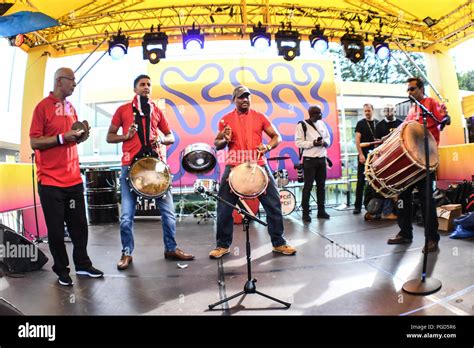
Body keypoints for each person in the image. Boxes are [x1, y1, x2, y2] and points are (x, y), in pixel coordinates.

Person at [106, 74, 194, 270]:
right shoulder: (122, 110)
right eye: (142, 84)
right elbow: (109, 137)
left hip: (156, 167)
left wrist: (161, 140)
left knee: (169, 214)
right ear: (135, 88)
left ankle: (171, 248)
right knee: (127, 216)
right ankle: (127, 253)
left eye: (149, 85)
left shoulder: (156, 110)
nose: (146, 87)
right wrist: (125, 136)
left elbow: (170, 136)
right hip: (130, 167)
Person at [29, 67, 103, 286]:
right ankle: (62, 270)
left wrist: (80, 136)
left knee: (79, 226)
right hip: (51, 182)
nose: (74, 84)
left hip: (73, 180)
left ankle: (82, 265)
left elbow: (71, 136)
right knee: (56, 230)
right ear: (60, 81)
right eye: (72, 80)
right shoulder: (42, 107)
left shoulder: (70, 107)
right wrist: (62, 138)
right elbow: (35, 142)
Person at [209, 85, 296, 259]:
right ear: (235, 100)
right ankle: (222, 245)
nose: (245, 100)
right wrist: (224, 139)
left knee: (273, 203)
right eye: (241, 97)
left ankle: (278, 242)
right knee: (224, 207)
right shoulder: (225, 120)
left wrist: (267, 146)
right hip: (234, 166)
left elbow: (276, 136)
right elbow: (217, 144)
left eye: (247, 96)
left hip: (258, 164)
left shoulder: (260, 117)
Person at [387, 77, 446, 253]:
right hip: (412, 161)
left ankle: (432, 239)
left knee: (426, 199)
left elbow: (442, 118)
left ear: (421, 89)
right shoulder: (412, 109)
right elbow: (405, 128)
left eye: (412, 89)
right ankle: (405, 233)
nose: (409, 92)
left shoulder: (431, 103)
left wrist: (446, 117)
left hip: (426, 160)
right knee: (403, 197)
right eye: (408, 90)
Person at [295, 105, 331, 222]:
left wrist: (325, 143)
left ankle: (321, 211)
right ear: (311, 114)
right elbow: (298, 142)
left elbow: (328, 138)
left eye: (320, 112)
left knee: (321, 186)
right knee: (308, 187)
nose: (320, 115)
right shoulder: (302, 125)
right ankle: (306, 213)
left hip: (321, 159)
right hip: (309, 160)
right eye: (317, 113)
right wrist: (313, 143)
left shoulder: (322, 124)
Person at [366, 104, 403, 220]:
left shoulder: (401, 124)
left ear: (395, 111)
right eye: (387, 111)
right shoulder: (380, 125)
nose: (389, 113)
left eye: (391, 110)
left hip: (398, 158)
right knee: (386, 185)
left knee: (395, 185)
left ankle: (390, 211)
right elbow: (377, 144)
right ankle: (385, 212)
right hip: (385, 159)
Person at [353, 103, 377, 214]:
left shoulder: (378, 123)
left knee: (376, 182)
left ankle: (373, 205)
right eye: (365, 111)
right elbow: (357, 140)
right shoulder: (361, 123)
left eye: (368, 110)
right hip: (364, 156)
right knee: (361, 181)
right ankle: (357, 206)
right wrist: (361, 154)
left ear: (373, 110)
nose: (367, 113)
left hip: (376, 157)